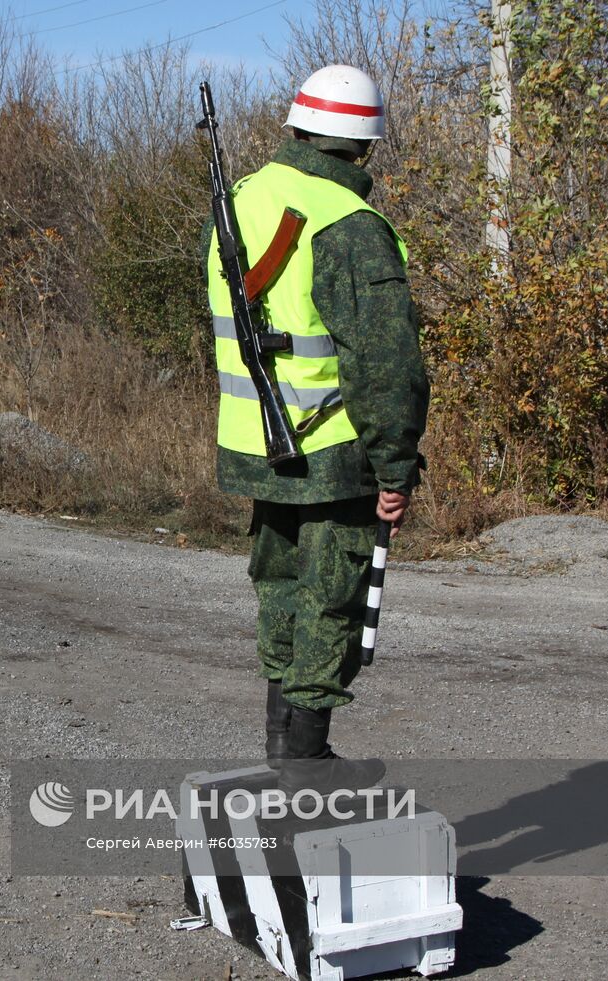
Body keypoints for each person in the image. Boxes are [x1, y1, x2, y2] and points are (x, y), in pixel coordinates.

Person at [204, 66, 429, 778]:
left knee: (279, 588)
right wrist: (395, 465)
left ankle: (283, 759)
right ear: (364, 147)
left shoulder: (237, 200)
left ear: (297, 126)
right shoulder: (350, 223)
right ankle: (306, 765)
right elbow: (386, 365)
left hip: (255, 446)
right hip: (330, 449)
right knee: (332, 600)